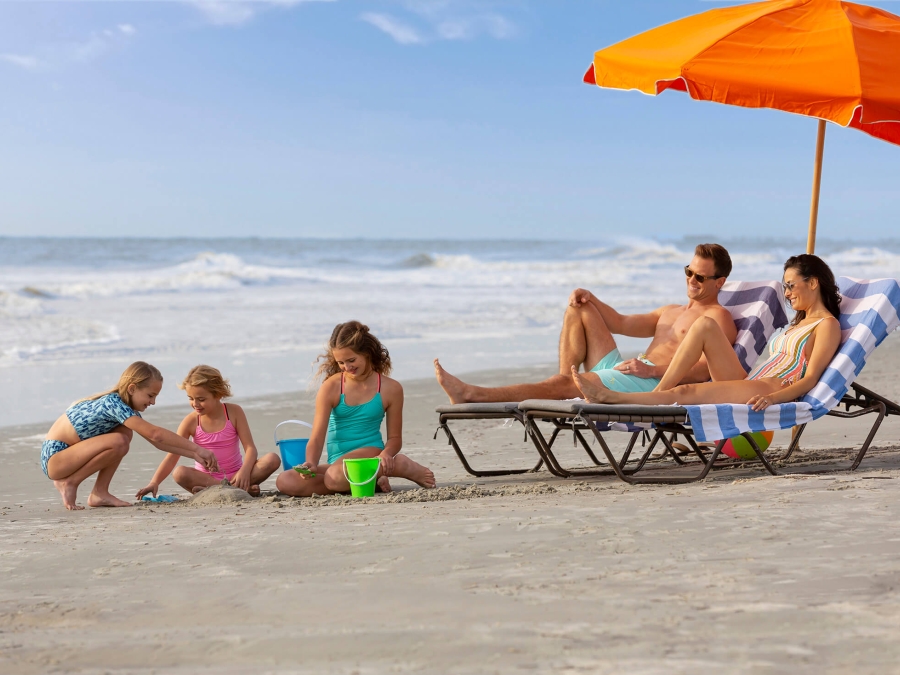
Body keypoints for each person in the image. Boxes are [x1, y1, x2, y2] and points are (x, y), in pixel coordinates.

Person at [435, 243, 737, 403]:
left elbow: (703, 372)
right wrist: (591, 297)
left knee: (563, 385)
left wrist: (653, 371)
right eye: (688, 271)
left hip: (649, 382)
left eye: (700, 276)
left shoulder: (717, 317)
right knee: (580, 309)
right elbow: (620, 322)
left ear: (719, 282)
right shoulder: (669, 310)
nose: (691, 280)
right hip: (627, 369)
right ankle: (562, 385)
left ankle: (472, 394)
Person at [570, 254, 842, 410]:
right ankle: (660, 394)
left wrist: (772, 398)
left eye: (792, 285)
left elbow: (809, 380)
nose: (787, 293)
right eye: (785, 286)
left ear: (814, 283)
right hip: (754, 379)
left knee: (687, 392)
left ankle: (615, 398)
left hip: (773, 386)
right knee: (704, 325)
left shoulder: (827, 325)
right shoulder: (799, 323)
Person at [275, 321, 436, 497]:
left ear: (367, 353)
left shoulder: (391, 389)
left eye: (351, 360)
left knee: (333, 479)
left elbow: (395, 438)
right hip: (337, 462)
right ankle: (370, 479)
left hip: (371, 451)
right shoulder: (332, 387)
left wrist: (387, 454)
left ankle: (401, 466)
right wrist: (311, 462)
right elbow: (317, 437)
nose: (347, 367)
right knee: (286, 480)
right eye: (341, 362)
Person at [42, 361, 219, 511]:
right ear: (132, 388)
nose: (153, 402)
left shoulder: (123, 409)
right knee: (119, 440)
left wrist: (195, 455)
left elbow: (157, 443)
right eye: (150, 395)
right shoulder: (113, 403)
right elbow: (156, 435)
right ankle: (70, 483)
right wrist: (198, 448)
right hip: (56, 457)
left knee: (124, 433)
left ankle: (99, 492)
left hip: (68, 455)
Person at [136, 365, 281, 499]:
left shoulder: (234, 412)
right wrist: (154, 482)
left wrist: (244, 471)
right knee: (180, 473)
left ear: (218, 394)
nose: (195, 404)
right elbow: (172, 456)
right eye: (191, 398)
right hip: (206, 479)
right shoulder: (191, 421)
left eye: (201, 399)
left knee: (272, 459)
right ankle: (235, 490)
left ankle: (221, 490)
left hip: (238, 474)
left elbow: (250, 448)